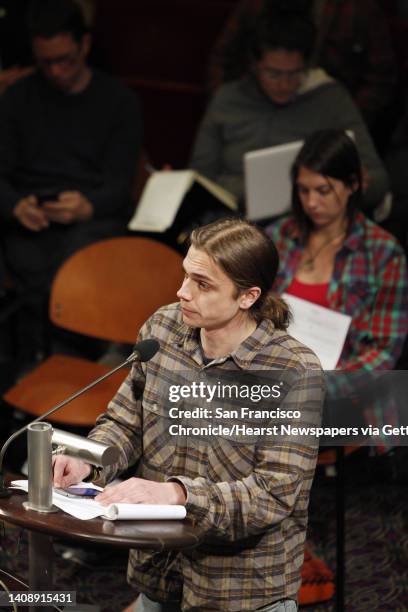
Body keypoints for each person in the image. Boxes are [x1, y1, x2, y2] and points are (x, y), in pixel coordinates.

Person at [53, 218, 324, 611]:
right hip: (159, 569)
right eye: (185, 276)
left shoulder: (293, 369)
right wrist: (89, 460)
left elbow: (273, 493)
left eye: (203, 284)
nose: (182, 292)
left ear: (247, 297)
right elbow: (126, 423)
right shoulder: (162, 329)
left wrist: (176, 494)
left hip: (239, 589)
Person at [0, 0, 142, 364]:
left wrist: (88, 205)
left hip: (91, 216)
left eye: (66, 59)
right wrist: (15, 204)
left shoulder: (118, 102)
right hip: (32, 216)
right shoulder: (18, 98)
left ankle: (57, 357)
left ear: (85, 46)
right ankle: (60, 357)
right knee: (31, 260)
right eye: (47, 62)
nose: (58, 71)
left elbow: (120, 184)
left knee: (75, 263)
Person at [190, 4, 388, 213]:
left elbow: (377, 181)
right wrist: (243, 193)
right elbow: (200, 179)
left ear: (307, 66)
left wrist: (353, 186)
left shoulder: (331, 100)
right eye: (273, 74)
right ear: (255, 65)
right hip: (233, 219)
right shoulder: (228, 99)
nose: (284, 84)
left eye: (294, 74)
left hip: (309, 222)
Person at [266, 129, 408, 371]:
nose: (311, 202)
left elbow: (384, 351)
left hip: (346, 391)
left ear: (352, 184)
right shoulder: (279, 236)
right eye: (303, 190)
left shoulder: (383, 253)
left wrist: (321, 385)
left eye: (323, 191)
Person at [207, 0, 397, 131]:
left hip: (326, 118)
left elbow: (380, 77)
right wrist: (230, 109)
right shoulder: (255, 5)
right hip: (256, 113)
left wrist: (344, 121)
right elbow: (222, 59)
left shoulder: (357, 8)